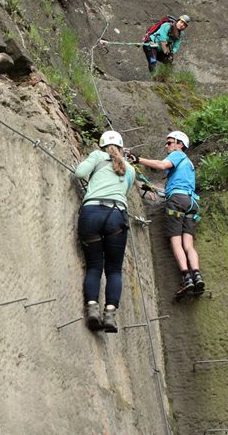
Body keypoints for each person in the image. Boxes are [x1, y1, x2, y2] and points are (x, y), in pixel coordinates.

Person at [126, 131, 205, 298]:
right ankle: (197, 275)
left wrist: (138, 160)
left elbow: (161, 165)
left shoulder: (177, 155)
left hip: (177, 201)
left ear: (180, 144)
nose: (167, 146)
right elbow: (176, 188)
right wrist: (151, 188)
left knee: (175, 242)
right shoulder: (189, 165)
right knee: (188, 245)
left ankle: (187, 278)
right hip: (191, 204)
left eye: (170, 143)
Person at [74, 130, 136, 333]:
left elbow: (80, 173)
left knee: (94, 266)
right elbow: (124, 192)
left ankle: (92, 309)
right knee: (114, 270)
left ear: (101, 145)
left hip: (91, 212)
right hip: (116, 215)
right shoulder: (130, 169)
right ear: (121, 146)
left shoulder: (97, 156)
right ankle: (109, 314)